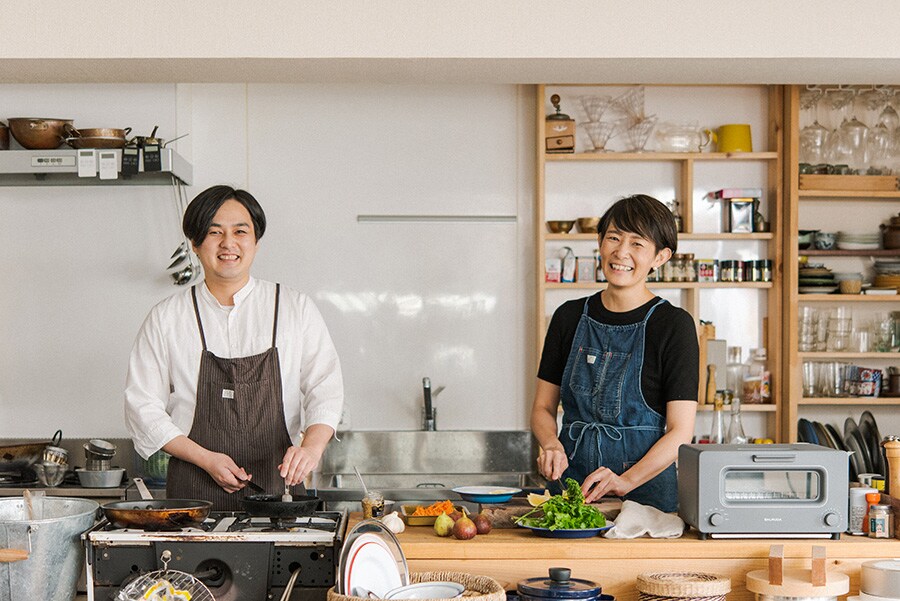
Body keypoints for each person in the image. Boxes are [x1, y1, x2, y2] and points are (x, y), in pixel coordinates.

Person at [125, 185, 343, 510]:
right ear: (196, 245)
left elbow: (325, 390)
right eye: (215, 233)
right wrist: (205, 458)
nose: (228, 243)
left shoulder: (294, 308)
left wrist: (311, 449)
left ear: (255, 241)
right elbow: (142, 406)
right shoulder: (167, 317)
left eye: (240, 231)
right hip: (193, 495)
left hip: (278, 492)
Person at [531, 194, 698, 512]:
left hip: (645, 498)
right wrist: (550, 444)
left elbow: (681, 432)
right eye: (614, 238)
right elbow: (542, 407)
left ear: (660, 257)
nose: (621, 252)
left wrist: (625, 481)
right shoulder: (568, 317)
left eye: (638, 243)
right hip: (570, 490)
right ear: (599, 241)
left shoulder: (674, 325)